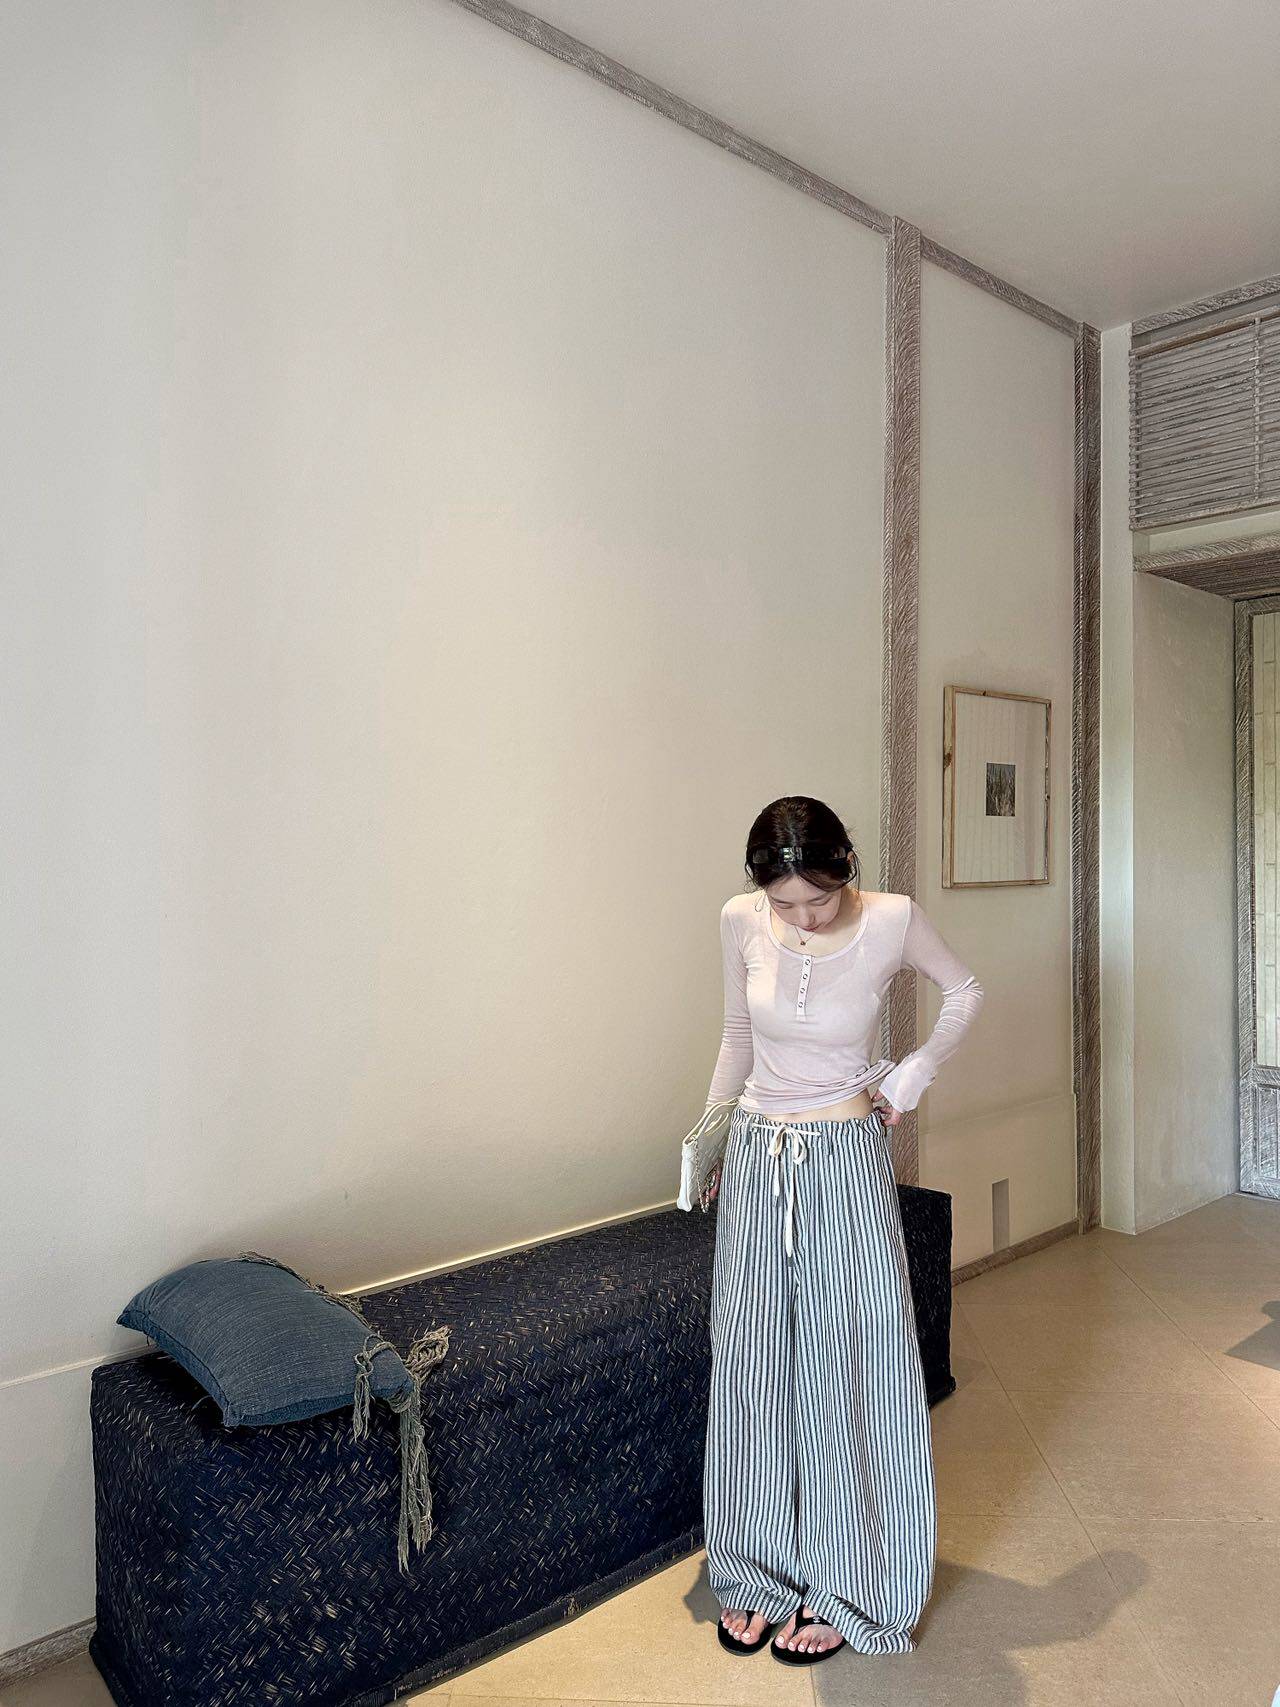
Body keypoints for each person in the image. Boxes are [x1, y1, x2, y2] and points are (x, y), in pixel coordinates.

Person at [701, 795, 984, 1665]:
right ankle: (755, 1570)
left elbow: (966, 991)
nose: (801, 917)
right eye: (783, 902)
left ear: (846, 870)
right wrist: (711, 1139)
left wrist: (914, 1072)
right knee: (751, 1361)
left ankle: (854, 1579)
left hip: (846, 1157)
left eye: (817, 900)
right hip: (758, 1156)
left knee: (855, 1363)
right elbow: (736, 1036)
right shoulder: (739, 919)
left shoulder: (892, 918)